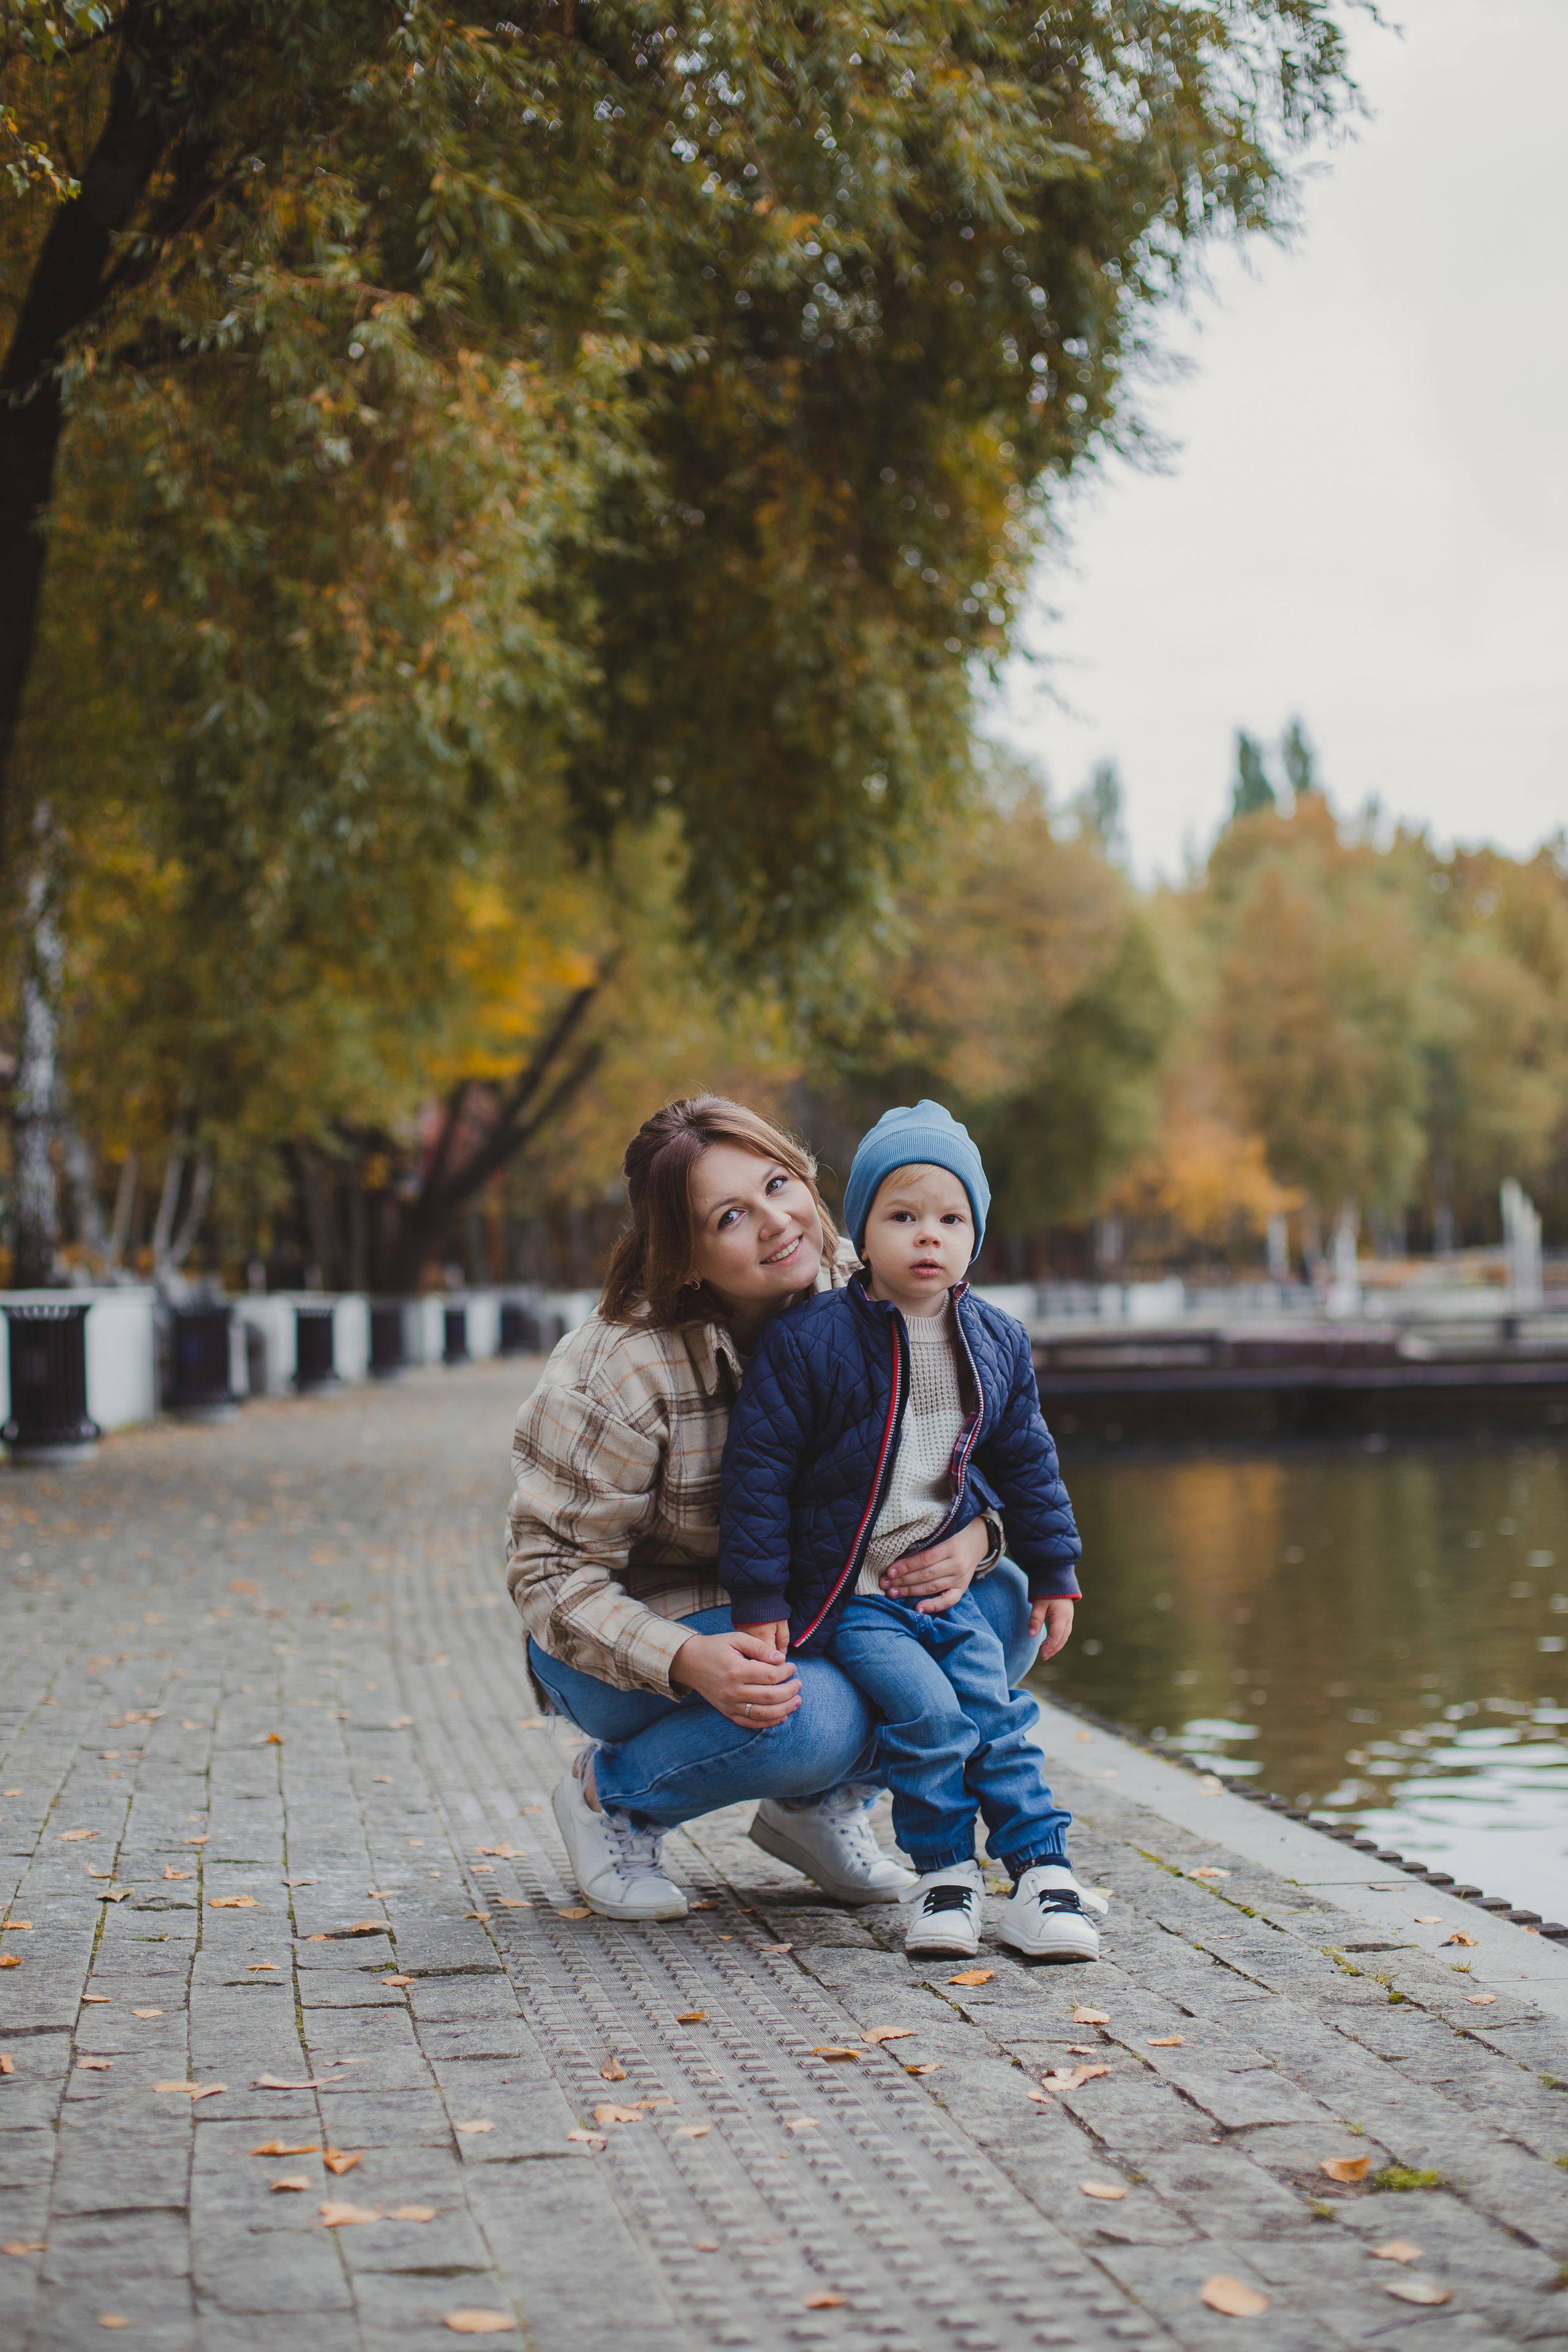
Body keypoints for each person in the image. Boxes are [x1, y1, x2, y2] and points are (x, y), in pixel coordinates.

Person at [506, 1094, 1049, 1921]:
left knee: (1002, 1606)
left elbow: (989, 1438)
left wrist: (976, 1535)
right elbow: (550, 1578)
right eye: (730, 1215)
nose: (776, 1223)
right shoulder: (617, 1371)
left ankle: (813, 1813)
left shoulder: (874, 1288)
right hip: (630, 1637)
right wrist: (688, 1658)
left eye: (778, 1184)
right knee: (816, 1713)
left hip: (814, 1604)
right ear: (684, 1254)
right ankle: (609, 1798)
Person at [720, 1099, 1102, 1963]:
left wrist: (1054, 1569)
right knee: (930, 1717)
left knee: (996, 1712)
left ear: (975, 1233)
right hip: (857, 1597)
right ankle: (945, 1882)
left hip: (948, 1587)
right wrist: (759, 1598)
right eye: (903, 1216)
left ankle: (1043, 1875)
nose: (928, 1236)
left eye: (950, 1218)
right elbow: (759, 1475)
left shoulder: (996, 1341)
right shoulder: (812, 1341)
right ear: (861, 1232)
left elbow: (1030, 1466)